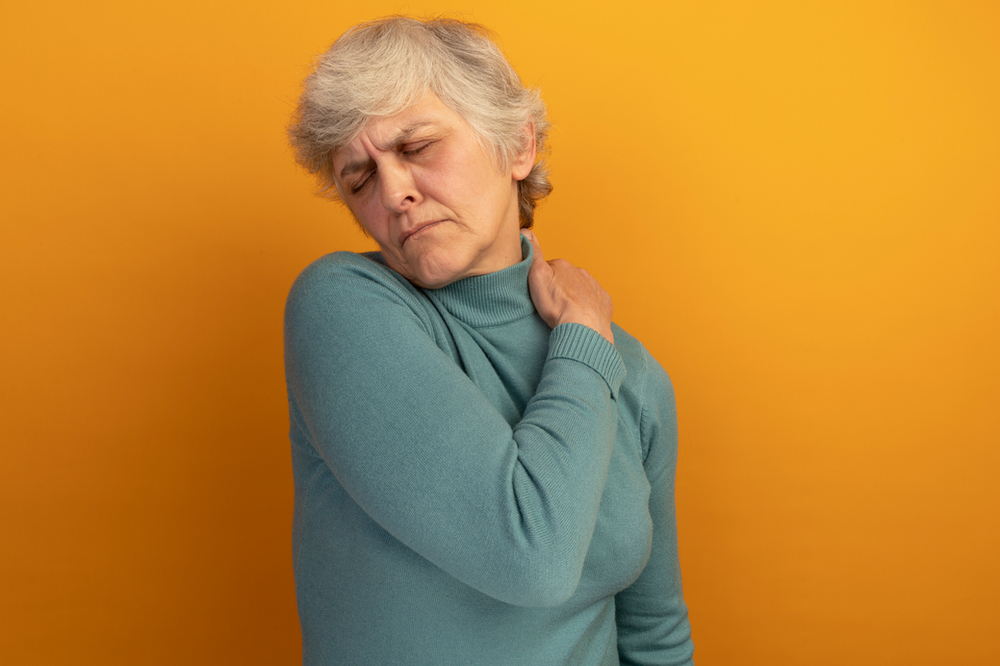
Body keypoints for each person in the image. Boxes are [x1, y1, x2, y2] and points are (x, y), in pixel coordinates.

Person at [284, 16, 694, 666]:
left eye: (416, 147)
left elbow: (655, 634)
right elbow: (531, 555)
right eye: (358, 179)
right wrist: (583, 337)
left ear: (518, 146)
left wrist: (588, 348)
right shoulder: (341, 308)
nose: (394, 192)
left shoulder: (637, 378)